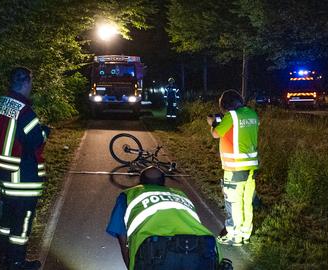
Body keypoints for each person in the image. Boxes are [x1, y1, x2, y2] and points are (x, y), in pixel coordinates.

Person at [0, 67, 50, 270]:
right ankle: (17, 263)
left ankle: (4, 260)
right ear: (26, 83)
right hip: (23, 179)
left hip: (4, 175)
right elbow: (35, 140)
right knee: (21, 225)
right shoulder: (25, 111)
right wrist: (44, 132)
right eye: (31, 82)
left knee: (6, 223)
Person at [106, 166, 221, 270]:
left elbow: (122, 237)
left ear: (141, 183)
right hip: (200, 247)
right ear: (163, 183)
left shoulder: (129, 195)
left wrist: (131, 265)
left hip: (154, 252)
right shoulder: (180, 194)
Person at [207, 90, 259, 246]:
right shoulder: (252, 114)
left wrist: (213, 123)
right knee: (246, 201)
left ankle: (233, 235)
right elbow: (239, 130)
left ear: (226, 105)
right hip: (251, 167)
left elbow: (216, 134)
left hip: (235, 168)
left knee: (233, 202)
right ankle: (245, 233)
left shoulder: (231, 117)